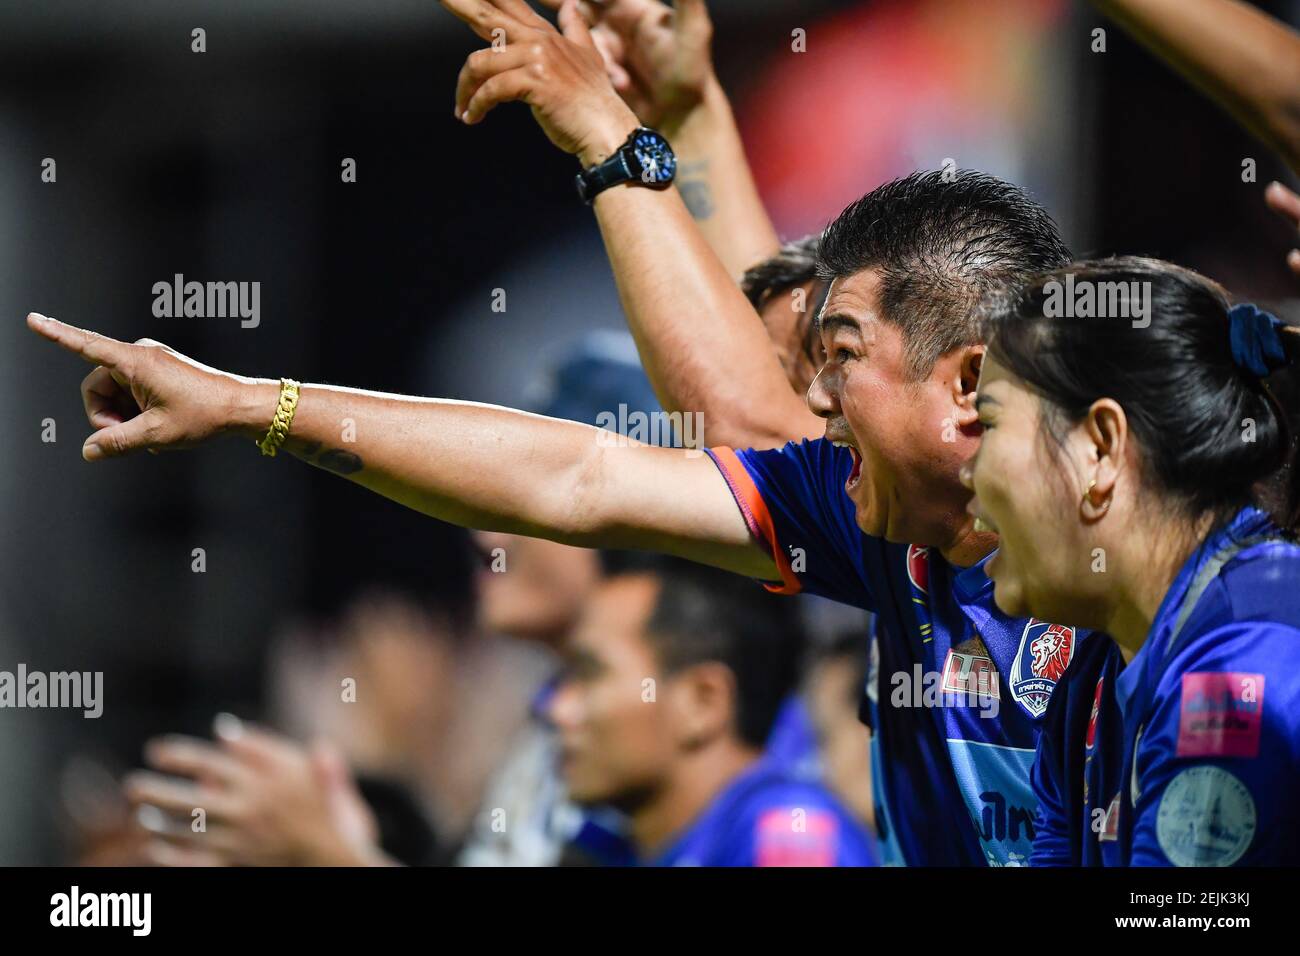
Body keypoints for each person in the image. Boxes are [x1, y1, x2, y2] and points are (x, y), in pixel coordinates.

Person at [963, 255, 1300, 865]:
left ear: (1100, 449)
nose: (968, 470)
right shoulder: (1094, 678)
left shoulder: (1241, 669)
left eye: (987, 423)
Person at [549, 554, 873, 866]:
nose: (557, 708)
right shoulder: (604, 849)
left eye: (590, 673)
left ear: (702, 701)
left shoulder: (787, 841)